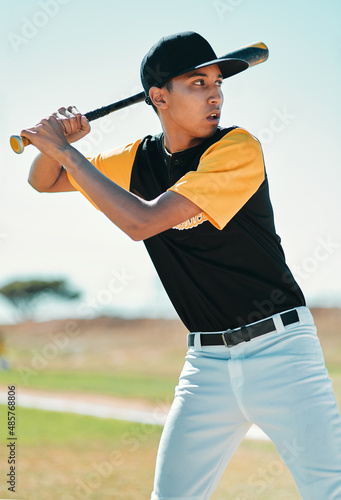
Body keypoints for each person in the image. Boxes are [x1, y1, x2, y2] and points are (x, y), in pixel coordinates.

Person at [25, 31, 341, 499]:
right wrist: (51, 145)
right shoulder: (142, 158)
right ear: (159, 97)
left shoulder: (236, 149)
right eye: (197, 83)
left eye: (217, 83)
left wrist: (65, 151)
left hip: (281, 351)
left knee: (329, 488)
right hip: (206, 364)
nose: (215, 94)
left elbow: (141, 222)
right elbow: (45, 183)